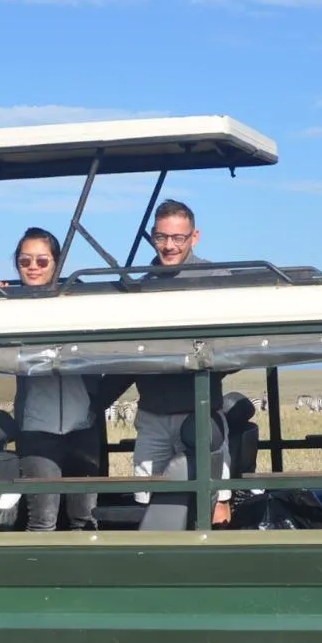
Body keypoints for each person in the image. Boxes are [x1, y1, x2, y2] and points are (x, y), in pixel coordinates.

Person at [125, 201, 231, 524]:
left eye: (177, 238)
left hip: (199, 414)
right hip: (152, 415)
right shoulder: (140, 287)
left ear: (194, 237)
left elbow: (234, 350)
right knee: (148, 503)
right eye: (161, 237)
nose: (169, 246)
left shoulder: (217, 281)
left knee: (216, 506)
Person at [9, 229, 101, 531]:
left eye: (41, 261)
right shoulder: (5, 306)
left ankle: (84, 576)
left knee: (84, 519)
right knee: (42, 519)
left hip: (82, 429)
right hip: (37, 431)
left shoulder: (78, 301)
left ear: (57, 264)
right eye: (25, 261)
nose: (33, 267)